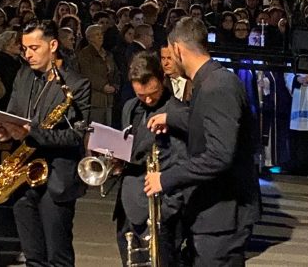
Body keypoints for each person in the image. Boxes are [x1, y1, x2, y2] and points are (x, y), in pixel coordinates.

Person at [145, 17, 261, 266]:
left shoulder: (217, 86)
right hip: (215, 214)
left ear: (178, 49)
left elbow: (219, 155)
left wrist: (165, 179)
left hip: (223, 216)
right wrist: (172, 118)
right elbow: (205, 118)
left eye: (170, 53)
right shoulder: (210, 80)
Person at [0, 20, 91, 266]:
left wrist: (32, 133)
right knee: (33, 257)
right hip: (22, 177)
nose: (28, 55)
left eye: (34, 48)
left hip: (56, 178)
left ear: (53, 45)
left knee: (58, 257)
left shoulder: (77, 84)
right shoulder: (23, 75)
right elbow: (13, 113)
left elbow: (75, 136)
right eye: (25, 49)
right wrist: (5, 131)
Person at [115, 51, 188, 266]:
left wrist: (166, 212)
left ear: (162, 79)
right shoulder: (129, 107)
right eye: (141, 94)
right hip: (129, 204)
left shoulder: (176, 112)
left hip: (160, 209)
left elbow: (182, 163)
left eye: (153, 93)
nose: (147, 99)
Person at [74, 24, 120, 125]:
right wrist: (103, 86)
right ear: (89, 38)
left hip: (109, 100)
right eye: (97, 34)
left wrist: (115, 86)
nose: (100, 37)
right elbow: (87, 74)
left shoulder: (108, 54)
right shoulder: (85, 54)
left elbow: (116, 72)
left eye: (101, 34)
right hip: (94, 100)